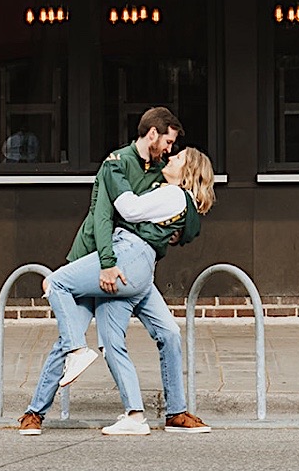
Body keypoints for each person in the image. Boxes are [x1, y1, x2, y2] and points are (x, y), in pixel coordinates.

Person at [17, 107, 216, 435]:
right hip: (101, 258)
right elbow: (102, 216)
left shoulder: (159, 179)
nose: (170, 154)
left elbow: (155, 219)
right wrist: (107, 264)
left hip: (127, 264)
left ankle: (170, 412)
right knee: (94, 338)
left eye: (176, 154)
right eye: (168, 144)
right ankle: (37, 412)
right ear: (153, 134)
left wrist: (178, 226)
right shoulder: (117, 165)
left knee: (144, 333)